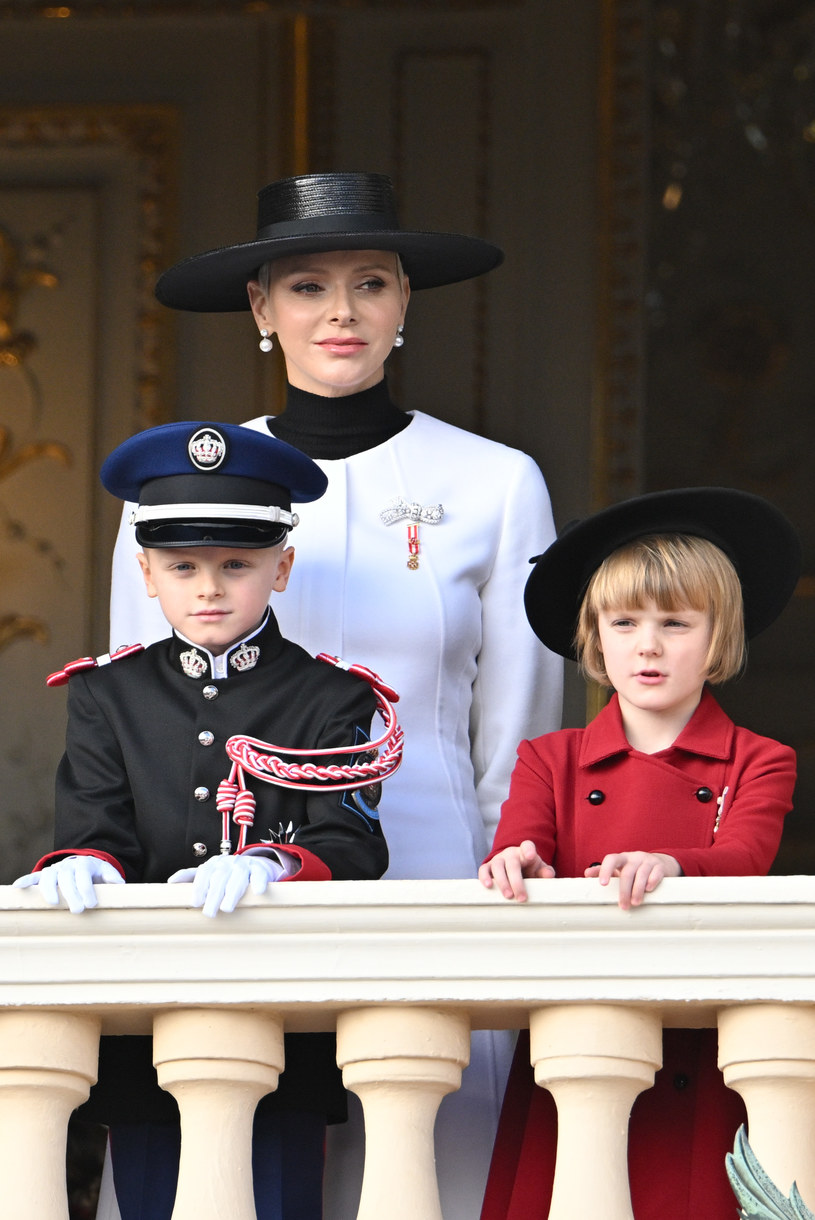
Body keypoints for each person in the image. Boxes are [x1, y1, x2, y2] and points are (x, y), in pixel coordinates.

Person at [108, 171, 564, 1218]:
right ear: (263, 312)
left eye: (370, 282)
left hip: (439, 879)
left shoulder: (495, 481)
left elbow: (520, 733)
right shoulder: (177, 488)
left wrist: (502, 909)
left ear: (405, 303)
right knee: (241, 1174)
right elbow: (137, 714)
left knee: (425, 1176)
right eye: (307, 286)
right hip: (230, 886)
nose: (341, 311)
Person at [15, 419, 401, 1220]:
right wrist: (88, 864)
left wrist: (272, 864)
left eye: (237, 564)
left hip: (285, 1017)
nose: (209, 587)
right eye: (182, 565)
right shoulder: (106, 694)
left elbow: (353, 841)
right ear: (146, 572)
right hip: (147, 1020)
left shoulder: (335, 698)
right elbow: (94, 826)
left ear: (282, 567)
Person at [478, 486, 800, 1220]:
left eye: (674, 623)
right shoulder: (548, 758)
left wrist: (674, 864)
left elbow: (748, 853)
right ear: (596, 637)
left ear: (718, 637)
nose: (646, 645)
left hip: (698, 1042)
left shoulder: (758, 759)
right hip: (576, 1034)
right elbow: (521, 845)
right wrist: (516, 863)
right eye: (624, 623)